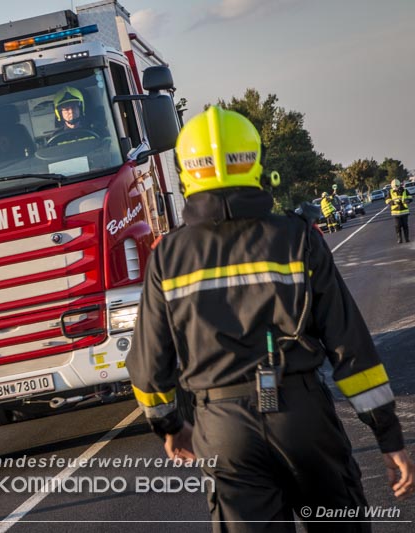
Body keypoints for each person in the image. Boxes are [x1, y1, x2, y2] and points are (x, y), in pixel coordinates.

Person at [126, 106, 413, 532]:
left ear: (187, 174)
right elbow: (350, 347)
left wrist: (170, 426)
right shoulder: (297, 238)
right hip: (303, 415)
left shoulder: (167, 257)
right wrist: (388, 437)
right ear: (257, 165)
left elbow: (149, 370)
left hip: (221, 429)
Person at [385, 178, 411, 243]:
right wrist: (393, 203)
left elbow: (410, 197)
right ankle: (399, 239)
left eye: (396, 186)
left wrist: (407, 201)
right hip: (396, 212)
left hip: (404, 211)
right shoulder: (390, 192)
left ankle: (407, 238)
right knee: (398, 226)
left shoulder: (405, 190)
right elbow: (387, 200)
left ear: (399, 185)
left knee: (405, 225)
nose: (395, 188)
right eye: (394, 187)